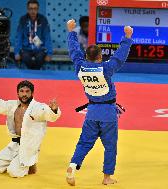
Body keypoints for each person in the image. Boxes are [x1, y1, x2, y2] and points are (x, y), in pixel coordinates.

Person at [65, 19, 133, 186]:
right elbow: (119, 57)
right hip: (108, 113)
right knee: (110, 147)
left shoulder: (79, 67)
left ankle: (73, 166)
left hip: (92, 112)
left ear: (86, 56)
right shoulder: (106, 68)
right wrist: (127, 37)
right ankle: (106, 177)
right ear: (100, 57)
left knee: (84, 142)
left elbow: (74, 52)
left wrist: (71, 32)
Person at [0, 77, 61, 177]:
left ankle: (31, 163)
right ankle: (19, 161)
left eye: (27, 91)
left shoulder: (38, 107)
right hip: (15, 144)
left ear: (32, 93)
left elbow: (50, 115)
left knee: (14, 172)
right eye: (21, 91)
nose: (24, 94)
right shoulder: (12, 105)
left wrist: (54, 110)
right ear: (18, 93)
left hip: (29, 145)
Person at [14, 0, 53, 70]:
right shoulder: (23, 20)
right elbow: (18, 36)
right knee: (26, 58)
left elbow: (47, 37)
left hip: (39, 48)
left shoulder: (43, 20)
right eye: (31, 9)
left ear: (38, 9)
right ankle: (35, 75)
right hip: (26, 48)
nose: (33, 11)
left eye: (35, 9)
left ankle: (33, 75)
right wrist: (16, 52)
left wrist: (49, 53)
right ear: (27, 9)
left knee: (40, 58)